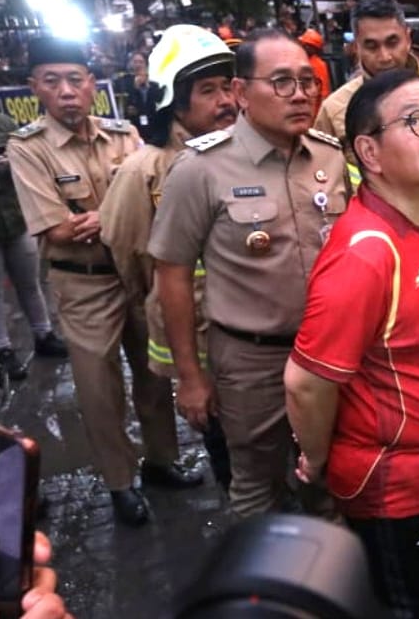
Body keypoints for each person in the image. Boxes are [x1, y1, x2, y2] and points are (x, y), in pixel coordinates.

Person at [286, 69, 419, 619]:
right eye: (416, 122)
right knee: (405, 604)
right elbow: (306, 382)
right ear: (369, 152)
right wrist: (318, 461)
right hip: (395, 487)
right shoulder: (366, 255)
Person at [148, 29, 350, 517]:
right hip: (250, 361)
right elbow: (171, 274)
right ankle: (259, 587)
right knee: (257, 487)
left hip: (326, 353)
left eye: (306, 81)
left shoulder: (330, 156)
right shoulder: (201, 169)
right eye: (280, 82)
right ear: (241, 93)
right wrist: (190, 378)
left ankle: (326, 577)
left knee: (329, 473)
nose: (300, 94)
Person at [7, 36, 197, 527]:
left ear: (92, 84)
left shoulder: (124, 134)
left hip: (136, 271)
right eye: (53, 82)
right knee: (99, 387)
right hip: (83, 283)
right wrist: (120, 209)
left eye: (75, 79)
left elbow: (158, 199)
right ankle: (119, 481)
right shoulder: (28, 149)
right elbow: (57, 230)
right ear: (35, 89)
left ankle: (161, 459)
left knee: (155, 374)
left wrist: (101, 216)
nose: (67, 91)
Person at [99, 25, 238, 490]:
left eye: (227, 87)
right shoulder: (145, 170)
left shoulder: (245, 154)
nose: (225, 102)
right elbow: (127, 253)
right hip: (198, 345)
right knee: (230, 456)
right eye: (207, 91)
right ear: (175, 102)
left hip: (252, 344)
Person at [0, 114, 67, 382]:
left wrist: (12, 164)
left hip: (17, 218)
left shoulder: (4, 122)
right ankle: (3, 350)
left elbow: (27, 156)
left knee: (30, 283)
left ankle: (44, 335)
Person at [314, 0, 415, 144]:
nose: (384, 57)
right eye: (372, 46)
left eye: (392, 43)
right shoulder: (334, 111)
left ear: (408, 39)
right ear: (356, 47)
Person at [116, 51, 156, 140]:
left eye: (141, 62)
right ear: (130, 64)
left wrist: (148, 86)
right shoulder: (123, 82)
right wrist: (135, 88)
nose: (138, 65)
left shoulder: (154, 83)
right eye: (135, 62)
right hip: (133, 124)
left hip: (151, 126)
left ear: (146, 64)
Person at [298, 28, 332, 116]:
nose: (303, 46)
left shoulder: (319, 65)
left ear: (313, 47)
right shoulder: (301, 60)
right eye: (303, 44)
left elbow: (324, 92)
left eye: (306, 45)